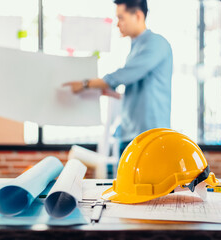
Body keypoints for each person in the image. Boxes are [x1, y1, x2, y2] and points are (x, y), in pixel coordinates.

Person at [64, 0, 173, 156]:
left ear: (138, 15)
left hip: (151, 135)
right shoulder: (135, 47)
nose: (117, 24)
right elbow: (140, 87)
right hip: (131, 133)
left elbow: (125, 75)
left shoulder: (156, 43)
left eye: (121, 18)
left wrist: (86, 84)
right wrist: (114, 93)